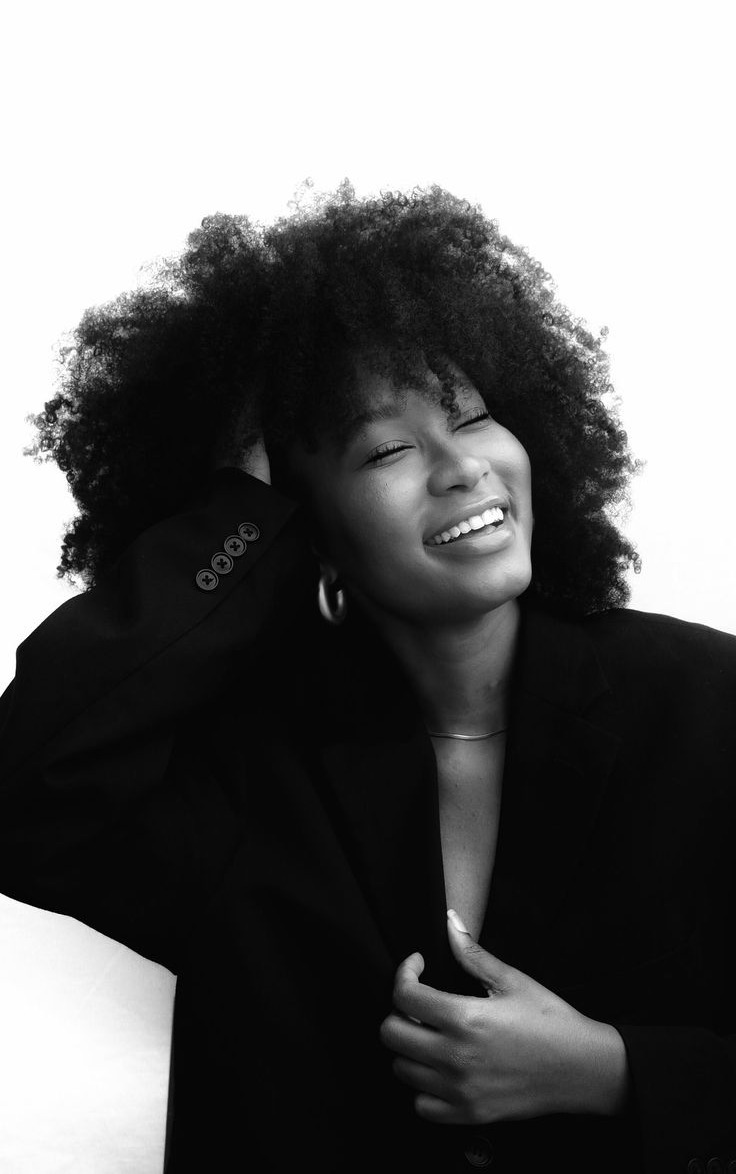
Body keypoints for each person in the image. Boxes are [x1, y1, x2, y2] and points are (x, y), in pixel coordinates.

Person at [0, 181, 734, 1174]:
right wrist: (239, 516)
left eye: (469, 416)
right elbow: (26, 793)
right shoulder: (248, 771)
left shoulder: (703, 705)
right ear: (311, 529)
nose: (459, 466)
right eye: (386, 447)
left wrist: (610, 1073)